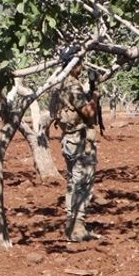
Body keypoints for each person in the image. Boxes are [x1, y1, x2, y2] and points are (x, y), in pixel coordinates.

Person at [54, 63, 102, 241]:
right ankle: (77, 227)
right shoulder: (72, 86)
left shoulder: (60, 83)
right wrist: (95, 96)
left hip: (69, 139)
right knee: (82, 183)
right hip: (79, 140)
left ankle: (71, 224)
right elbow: (88, 113)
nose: (82, 66)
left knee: (73, 182)